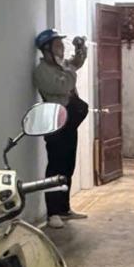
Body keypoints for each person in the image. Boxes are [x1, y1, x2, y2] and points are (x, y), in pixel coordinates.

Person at [32, 29, 90, 229]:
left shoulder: (61, 65)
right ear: (46, 49)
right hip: (56, 124)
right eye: (57, 45)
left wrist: (81, 49)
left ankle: (64, 209)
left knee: (68, 165)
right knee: (55, 167)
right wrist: (70, 69)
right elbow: (63, 86)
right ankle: (53, 213)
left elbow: (77, 62)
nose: (62, 49)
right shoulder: (42, 72)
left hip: (69, 123)